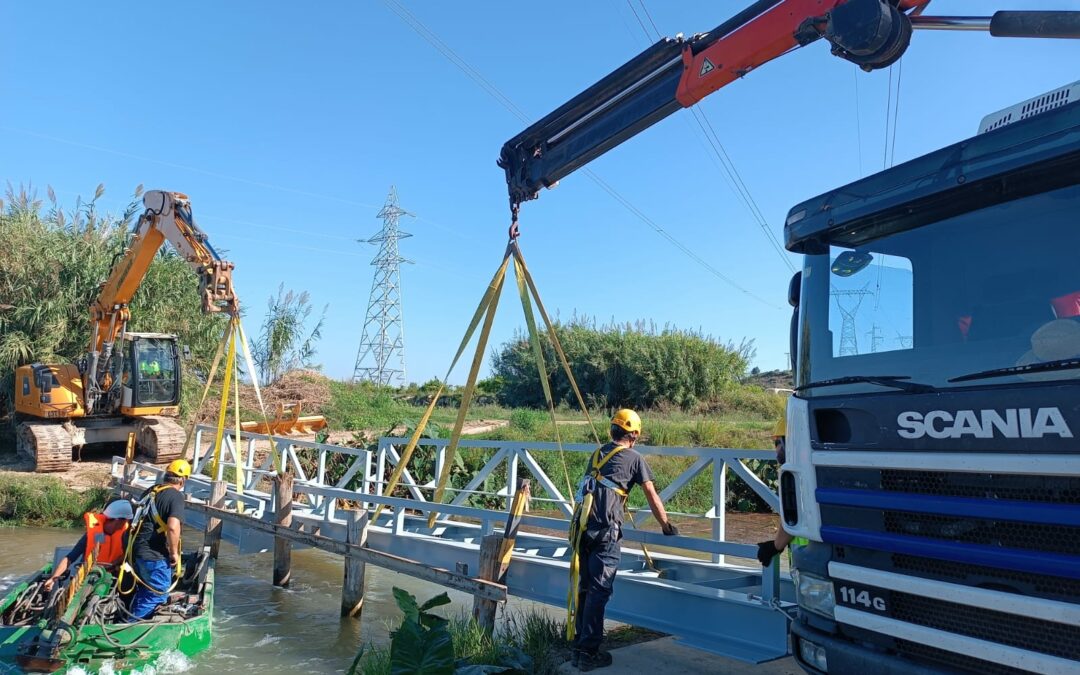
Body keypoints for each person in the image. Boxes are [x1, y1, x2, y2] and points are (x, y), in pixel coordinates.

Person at [571, 409, 678, 671]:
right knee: (599, 590)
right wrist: (666, 525)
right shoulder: (634, 458)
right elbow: (651, 494)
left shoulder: (597, 455)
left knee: (585, 587)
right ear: (634, 435)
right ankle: (589, 652)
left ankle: (578, 646)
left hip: (582, 528)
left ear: (612, 431)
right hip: (606, 532)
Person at [127, 459, 190, 621]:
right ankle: (127, 630)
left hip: (136, 550)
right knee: (157, 594)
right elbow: (173, 527)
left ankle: (131, 619)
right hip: (154, 555)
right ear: (183, 480)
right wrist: (174, 553)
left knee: (146, 591)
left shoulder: (151, 491)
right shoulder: (175, 496)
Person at [43, 499, 134, 592]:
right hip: (88, 575)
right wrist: (53, 578)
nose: (124, 525)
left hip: (111, 576)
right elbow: (70, 557)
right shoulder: (94, 534)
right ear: (118, 520)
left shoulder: (124, 535)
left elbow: (128, 554)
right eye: (125, 521)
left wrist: (115, 563)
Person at [756, 408, 806, 565]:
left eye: (777, 442)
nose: (776, 448)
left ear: (788, 442)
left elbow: (792, 517)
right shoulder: (814, 468)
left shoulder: (793, 474)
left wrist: (775, 546)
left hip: (806, 555)